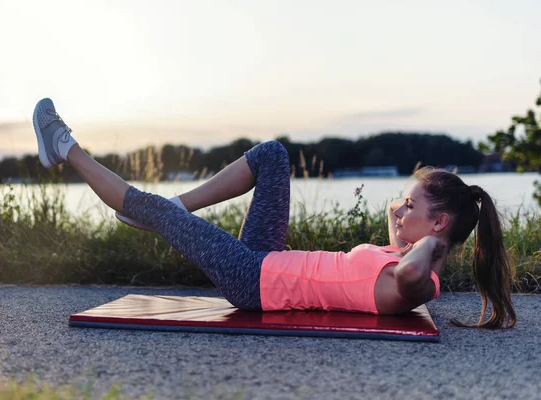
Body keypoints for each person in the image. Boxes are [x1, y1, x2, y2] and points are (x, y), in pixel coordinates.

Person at [32, 98, 516, 329]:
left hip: (253, 280)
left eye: (412, 206)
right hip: (269, 258)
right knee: (273, 154)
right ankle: (173, 208)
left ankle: (64, 147)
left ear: (439, 225)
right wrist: (403, 222)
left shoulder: (419, 277)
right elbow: (393, 258)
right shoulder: (404, 256)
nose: (399, 207)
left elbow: (413, 270)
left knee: (147, 206)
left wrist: (431, 245)